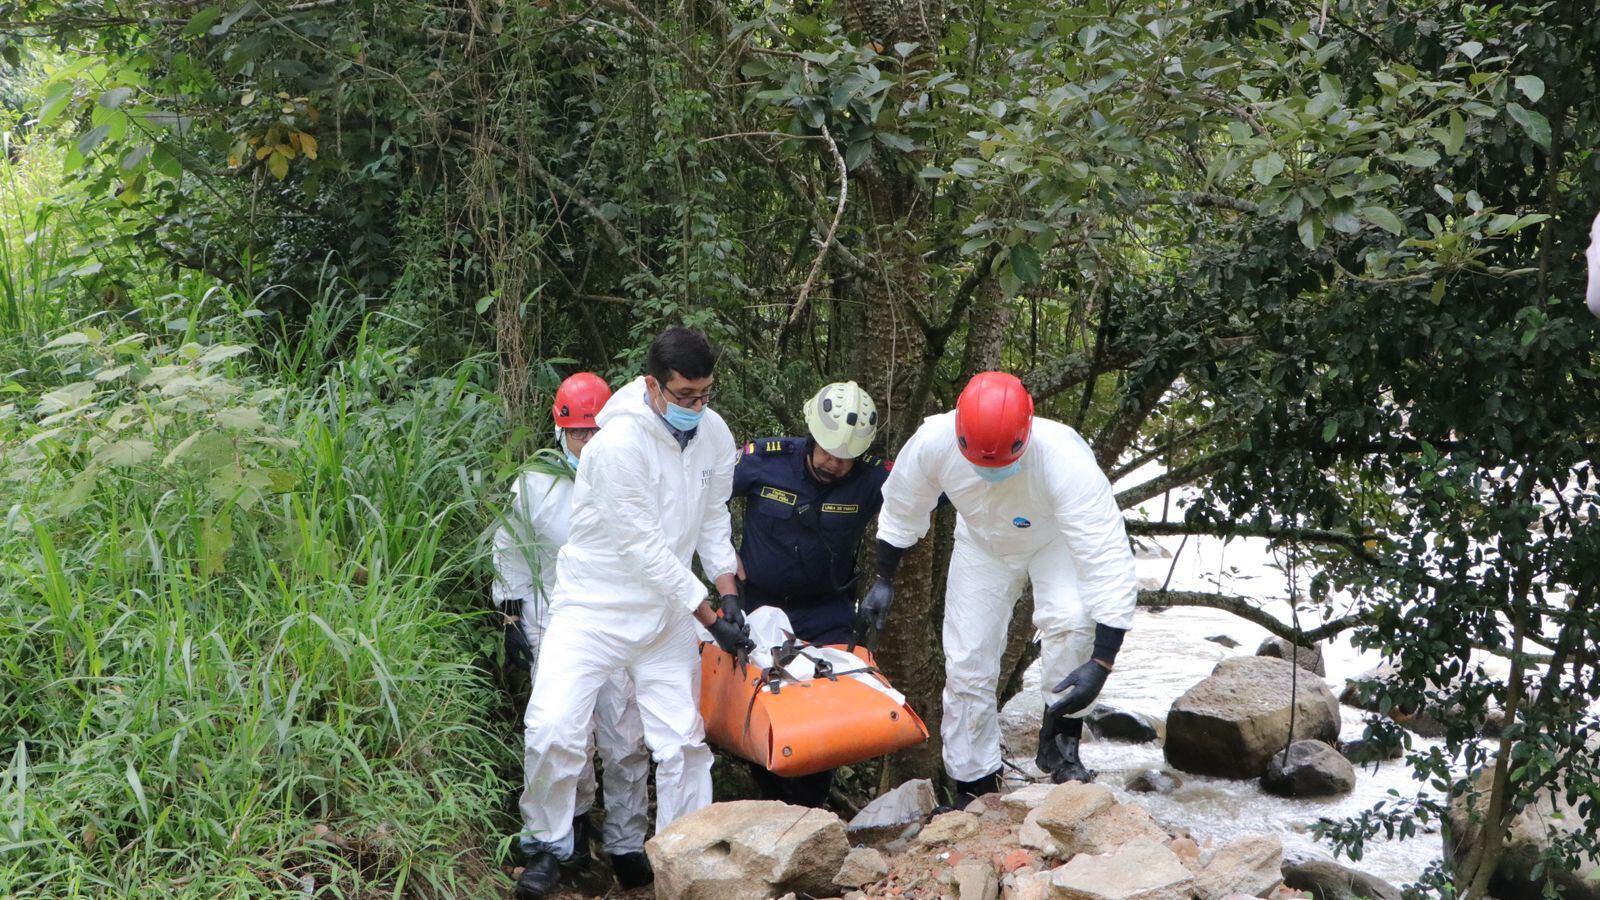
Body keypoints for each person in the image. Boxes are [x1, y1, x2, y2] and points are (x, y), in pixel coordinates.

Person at [514, 327, 752, 900]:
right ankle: (548, 845)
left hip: (666, 617)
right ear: (653, 386)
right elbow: (644, 549)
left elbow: (715, 512)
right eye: (686, 395)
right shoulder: (616, 444)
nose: (698, 406)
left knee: (683, 743)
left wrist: (730, 590)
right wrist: (709, 617)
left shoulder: (713, 433)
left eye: (706, 393)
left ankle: (682, 854)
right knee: (554, 727)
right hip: (593, 608)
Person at [865, 371, 1137, 806]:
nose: (990, 471)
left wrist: (1103, 660)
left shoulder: (1063, 459)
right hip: (982, 543)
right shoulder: (934, 440)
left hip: (1053, 540)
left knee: (1070, 622)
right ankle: (974, 782)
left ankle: (1061, 740)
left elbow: (1106, 558)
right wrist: (884, 577)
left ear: (1025, 434)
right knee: (967, 661)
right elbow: (903, 503)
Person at [492, 373, 652, 888]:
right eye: (579, 434)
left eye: (594, 433)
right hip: (554, 618)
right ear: (561, 431)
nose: (587, 443)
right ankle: (559, 838)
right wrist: (511, 615)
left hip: (619, 615)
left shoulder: (627, 475)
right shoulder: (535, 482)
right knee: (561, 734)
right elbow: (511, 550)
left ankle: (627, 842)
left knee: (625, 735)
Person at [730, 380, 892, 806]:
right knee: (763, 711)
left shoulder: (873, 476)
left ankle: (810, 811)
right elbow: (699, 499)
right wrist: (721, 563)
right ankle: (773, 803)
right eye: (826, 452)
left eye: (845, 458)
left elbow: (933, 489)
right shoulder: (763, 460)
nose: (835, 464)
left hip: (827, 612)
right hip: (758, 608)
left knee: (826, 713)